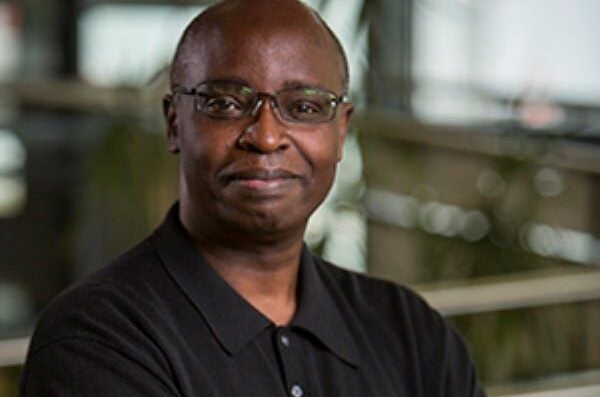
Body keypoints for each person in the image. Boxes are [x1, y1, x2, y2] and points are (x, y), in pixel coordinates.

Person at [20, 0, 486, 396]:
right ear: (174, 123)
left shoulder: (413, 334)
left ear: (341, 131)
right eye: (225, 103)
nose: (266, 137)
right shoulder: (98, 340)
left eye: (304, 107)